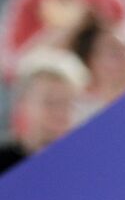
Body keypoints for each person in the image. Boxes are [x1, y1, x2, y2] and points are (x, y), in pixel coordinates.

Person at [0, 46, 84, 175]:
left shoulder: (83, 163)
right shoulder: (4, 161)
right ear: (23, 104)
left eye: (67, 103)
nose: (59, 111)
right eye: (49, 102)